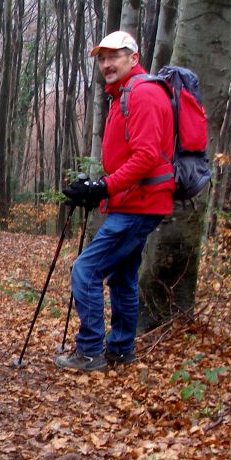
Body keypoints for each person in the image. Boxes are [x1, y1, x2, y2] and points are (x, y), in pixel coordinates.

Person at [56, 30, 174, 372]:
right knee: (122, 277)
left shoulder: (143, 94)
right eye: (102, 58)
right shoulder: (122, 95)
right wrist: (97, 188)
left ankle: (90, 352)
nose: (106, 63)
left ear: (133, 58)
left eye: (114, 56)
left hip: (140, 204)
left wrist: (104, 187)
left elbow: (147, 156)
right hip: (131, 202)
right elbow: (129, 158)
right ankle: (121, 348)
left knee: (86, 269)